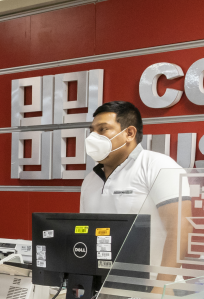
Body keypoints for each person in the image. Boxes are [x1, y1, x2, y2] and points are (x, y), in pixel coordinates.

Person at [81, 100, 192, 280]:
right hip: (103, 289)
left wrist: (162, 284)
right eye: (92, 131)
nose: (93, 137)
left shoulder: (157, 166)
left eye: (102, 129)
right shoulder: (90, 180)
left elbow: (180, 228)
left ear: (129, 133)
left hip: (152, 286)